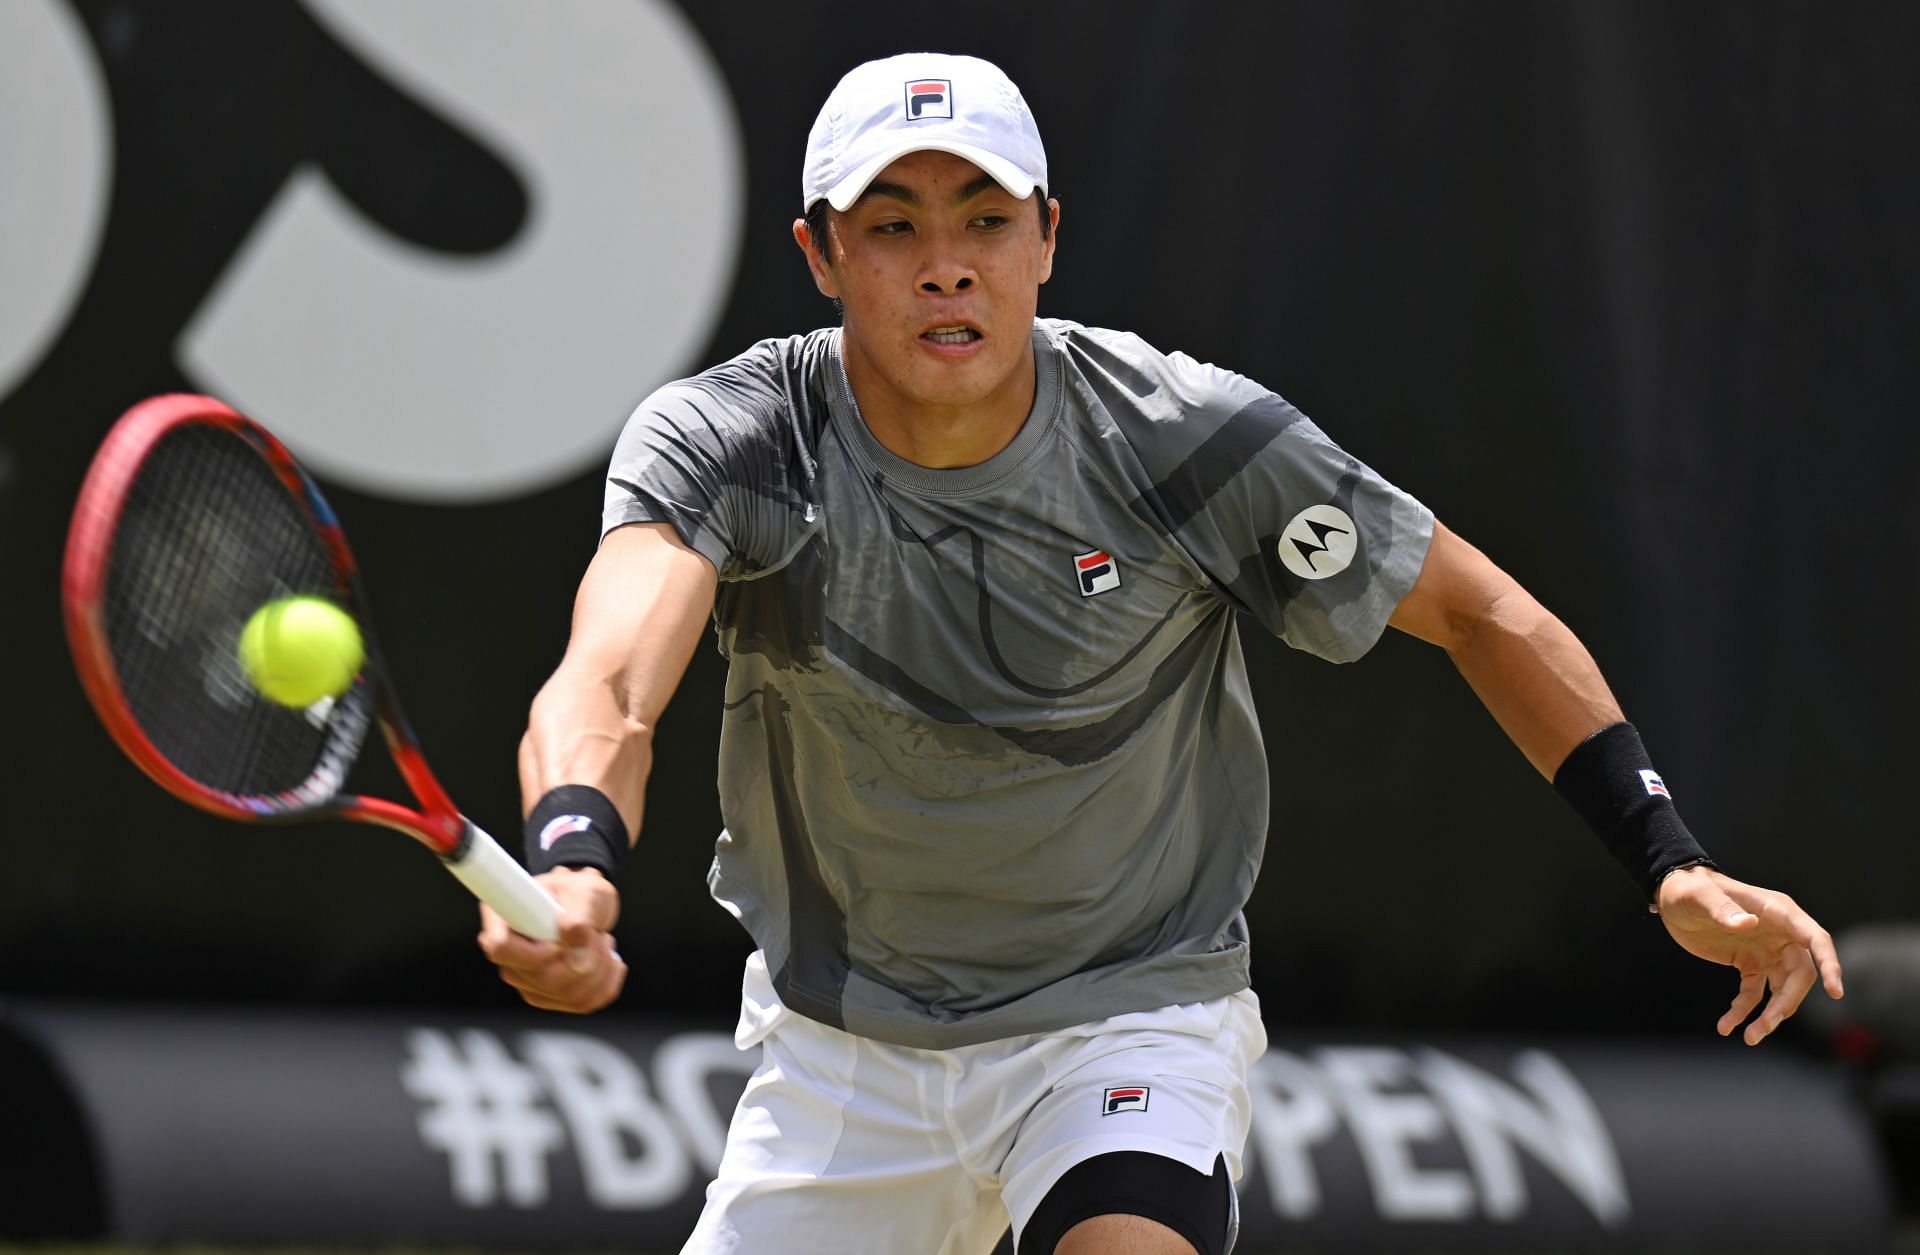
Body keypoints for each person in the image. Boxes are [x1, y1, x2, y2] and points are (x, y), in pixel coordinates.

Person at [478, 52, 1845, 1255]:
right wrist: (576, 855)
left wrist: (1671, 863)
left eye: (985, 219)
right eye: (891, 225)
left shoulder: (1180, 438)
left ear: (1046, 240)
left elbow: (1482, 613)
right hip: (849, 1057)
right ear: (823, 256)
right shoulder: (735, 440)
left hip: (1126, 1016)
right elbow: (608, 675)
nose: (945, 261)